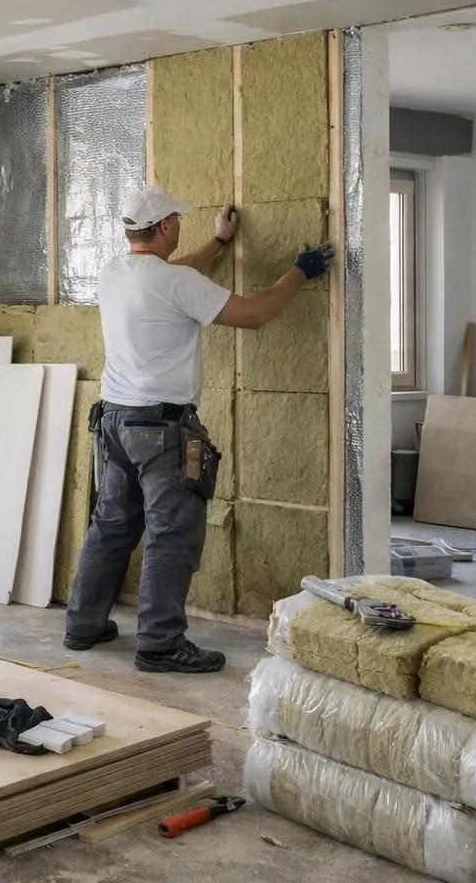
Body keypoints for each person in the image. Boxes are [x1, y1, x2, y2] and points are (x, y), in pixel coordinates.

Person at [63, 184, 332, 673]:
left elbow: (174, 275)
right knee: (172, 535)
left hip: (114, 423)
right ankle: (161, 644)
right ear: (165, 226)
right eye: (177, 222)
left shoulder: (114, 273)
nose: (180, 227)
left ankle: (83, 625)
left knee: (112, 526)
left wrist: (220, 243)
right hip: (161, 430)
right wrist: (299, 272)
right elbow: (254, 315)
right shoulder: (173, 284)